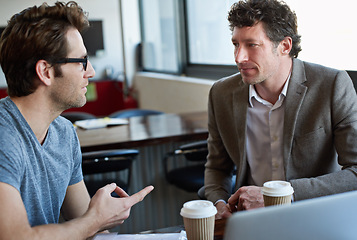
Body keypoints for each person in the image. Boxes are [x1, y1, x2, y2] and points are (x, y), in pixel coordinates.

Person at [0, 1, 153, 239]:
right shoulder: (3, 135)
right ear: (46, 72)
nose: (90, 71)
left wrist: (103, 215)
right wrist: (94, 220)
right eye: (82, 61)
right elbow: (15, 236)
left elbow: (82, 221)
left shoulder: (63, 132)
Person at [204, 0, 357, 219]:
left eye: (252, 45)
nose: (239, 57)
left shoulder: (332, 85)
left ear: (284, 46)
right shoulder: (220, 93)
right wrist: (219, 203)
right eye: (236, 44)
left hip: (315, 216)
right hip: (250, 220)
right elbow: (217, 168)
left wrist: (277, 195)